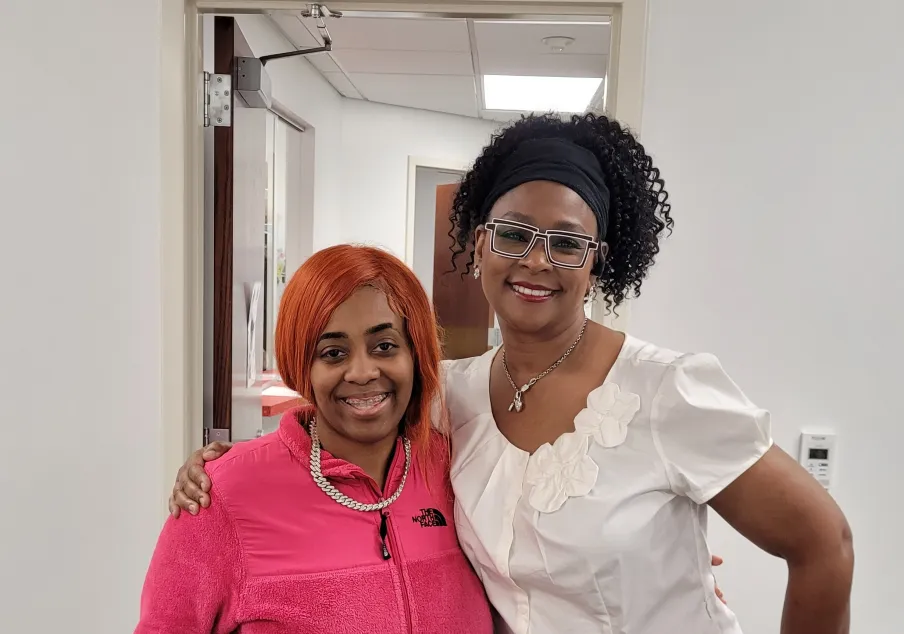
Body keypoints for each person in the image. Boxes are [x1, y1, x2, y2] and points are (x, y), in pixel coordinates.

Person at [171, 113, 853, 634]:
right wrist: (225, 470)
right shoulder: (450, 396)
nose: (536, 260)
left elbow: (826, 543)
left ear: (597, 262)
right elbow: (350, 423)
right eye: (514, 233)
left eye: (567, 242)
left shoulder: (664, 391)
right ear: (478, 245)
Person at [136, 245, 493, 633]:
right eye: (333, 352)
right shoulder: (220, 495)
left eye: (385, 346)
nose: (362, 372)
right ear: (302, 365)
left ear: (414, 352)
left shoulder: (456, 466)